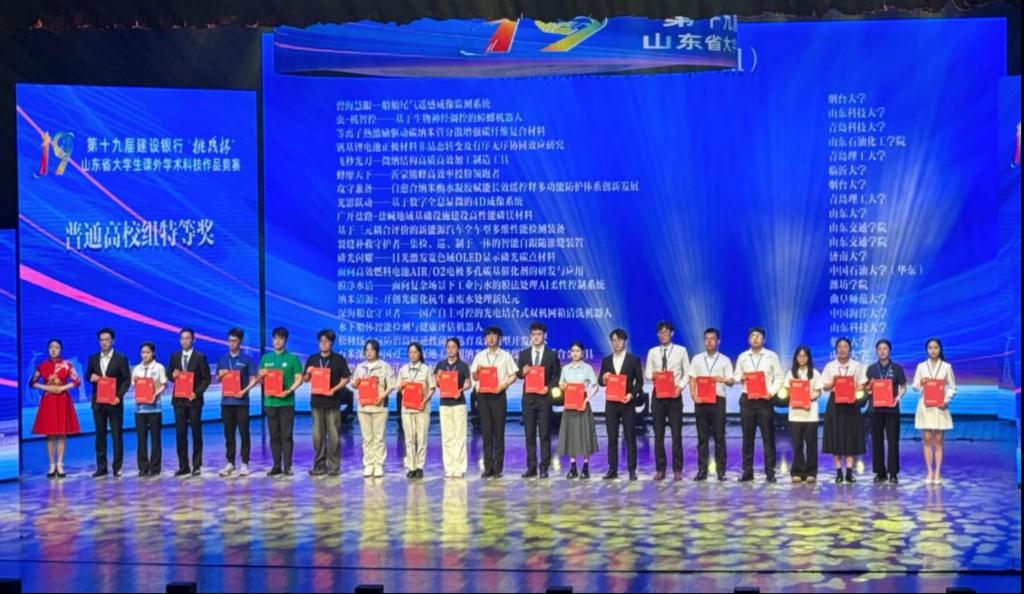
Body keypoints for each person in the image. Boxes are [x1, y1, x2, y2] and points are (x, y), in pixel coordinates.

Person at [733, 327, 784, 483]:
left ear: (764, 339)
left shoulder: (771, 356)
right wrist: (740, 378)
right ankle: (747, 472)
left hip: (765, 400)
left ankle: (770, 472)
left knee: (768, 437)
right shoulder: (743, 357)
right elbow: (735, 375)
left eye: (759, 336)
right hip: (747, 400)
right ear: (749, 340)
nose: (755, 338)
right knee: (747, 438)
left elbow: (779, 377)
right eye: (753, 336)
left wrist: (771, 392)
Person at [469, 326, 519, 479]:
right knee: (486, 432)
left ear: (499, 338)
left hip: (498, 395)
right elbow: (474, 377)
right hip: (483, 396)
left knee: (498, 432)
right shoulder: (479, 356)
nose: (491, 338)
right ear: (485, 339)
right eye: (488, 335)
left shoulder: (505, 356)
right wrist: (477, 372)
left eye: (494, 335)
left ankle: (498, 468)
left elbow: (514, 375)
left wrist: (502, 386)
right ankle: (488, 467)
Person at [643, 321, 690, 481]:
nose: (663, 335)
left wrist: (680, 387)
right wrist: (651, 376)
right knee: (658, 434)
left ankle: (677, 469)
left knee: (676, 434)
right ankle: (660, 469)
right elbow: (647, 372)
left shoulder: (681, 351)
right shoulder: (653, 352)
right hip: (658, 395)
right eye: (660, 332)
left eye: (666, 332)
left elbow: (687, 372)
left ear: (672, 333)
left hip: (675, 395)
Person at [686, 327, 734, 482]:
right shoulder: (697, 359)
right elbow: (692, 378)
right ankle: (702, 471)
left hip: (718, 400)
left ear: (718, 341)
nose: (709, 342)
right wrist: (693, 396)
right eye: (706, 339)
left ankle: (721, 471)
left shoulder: (725, 360)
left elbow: (731, 381)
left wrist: (723, 379)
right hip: (701, 400)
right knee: (702, 438)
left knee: (719, 437)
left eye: (712, 339)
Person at [515, 321, 561, 479]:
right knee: (529, 435)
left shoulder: (551, 355)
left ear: (544, 336)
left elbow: (557, 376)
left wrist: (548, 387)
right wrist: (522, 371)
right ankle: (531, 467)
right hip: (528, 400)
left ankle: (544, 468)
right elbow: (519, 374)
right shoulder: (524, 354)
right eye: (533, 334)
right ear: (530, 336)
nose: (536, 337)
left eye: (539, 334)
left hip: (544, 399)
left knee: (545, 434)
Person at [30, 338, 81, 478]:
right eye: (51, 347)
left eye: (56, 347)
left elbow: (77, 381)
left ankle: (60, 464)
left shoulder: (68, 365)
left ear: (61, 350)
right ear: (48, 350)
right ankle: (51, 465)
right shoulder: (42, 366)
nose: (54, 350)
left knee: (61, 432)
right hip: (48, 401)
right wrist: (47, 388)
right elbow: (32, 383)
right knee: (50, 433)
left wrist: (62, 388)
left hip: (63, 400)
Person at [303, 329, 351, 477]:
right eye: (321, 341)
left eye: (327, 341)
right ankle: (319, 465)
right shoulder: (312, 359)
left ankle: (334, 466)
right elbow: (305, 379)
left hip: (333, 402)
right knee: (317, 437)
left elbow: (346, 378)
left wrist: (334, 389)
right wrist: (308, 372)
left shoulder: (338, 359)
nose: (324, 344)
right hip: (316, 403)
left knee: (334, 437)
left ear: (332, 343)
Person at [598, 328, 644, 481]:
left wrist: (631, 394)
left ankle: (632, 469)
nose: (616, 343)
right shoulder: (606, 360)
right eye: (614, 340)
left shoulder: (633, 359)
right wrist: (604, 378)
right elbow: (600, 382)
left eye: (619, 340)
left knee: (630, 437)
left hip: (627, 402)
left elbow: (640, 381)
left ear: (625, 341)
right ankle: (612, 469)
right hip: (611, 404)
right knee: (612, 437)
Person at [821, 337, 869, 484]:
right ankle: (838, 472)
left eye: (845, 346)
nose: (842, 349)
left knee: (850, 437)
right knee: (835, 437)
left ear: (850, 349)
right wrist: (833, 383)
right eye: (839, 347)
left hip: (851, 403)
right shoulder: (830, 366)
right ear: (836, 349)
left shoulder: (857, 365)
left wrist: (854, 390)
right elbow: (824, 387)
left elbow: (862, 384)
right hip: (835, 404)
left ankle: (849, 472)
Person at [85, 327, 131, 478]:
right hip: (98, 403)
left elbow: (126, 380)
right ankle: (101, 467)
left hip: (114, 402)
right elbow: (87, 375)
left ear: (113, 341)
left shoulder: (121, 358)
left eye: (107, 340)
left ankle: (117, 467)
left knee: (116, 435)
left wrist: (119, 395)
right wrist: (91, 377)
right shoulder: (93, 358)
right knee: (100, 435)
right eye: (102, 340)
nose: (104, 342)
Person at [258, 326, 304, 477]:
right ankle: (276, 465)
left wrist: (289, 390)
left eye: (281, 338)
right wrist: (261, 375)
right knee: (274, 435)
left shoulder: (292, 358)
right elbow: (260, 380)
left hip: (286, 403)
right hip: (270, 402)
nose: (277, 341)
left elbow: (299, 379)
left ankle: (288, 466)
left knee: (286, 435)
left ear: (285, 341)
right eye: (275, 338)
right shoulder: (266, 359)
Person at [168, 328, 212, 477]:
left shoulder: (200, 357)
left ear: (193, 340)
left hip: (194, 401)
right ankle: (183, 466)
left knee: (196, 433)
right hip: (179, 401)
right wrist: (172, 375)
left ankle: (197, 465)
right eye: (182, 338)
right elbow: (169, 375)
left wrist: (197, 393)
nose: (184, 341)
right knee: (180, 434)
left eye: (187, 338)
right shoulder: (174, 356)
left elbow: (206, 379)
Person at [912, 338, 956, 485]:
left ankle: (937, 471)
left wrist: (946, 400)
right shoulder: (921, 366)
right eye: (930, 348)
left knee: (938, 440)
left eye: (935, 347)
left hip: (940, 406)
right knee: (927, 439)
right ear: (927, 350)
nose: (933, 350)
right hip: (925, 406)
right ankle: (929, 471)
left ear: (940, 349)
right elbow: (914, 387)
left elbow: (952, 387)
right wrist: (921, 382)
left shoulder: (947, 367)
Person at [217, 327, 259, 477]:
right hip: (226, 402)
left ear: (240, 342)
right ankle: (230, 462)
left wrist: (244, 391)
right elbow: (218, 379)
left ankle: (245, 463)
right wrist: (220, 376)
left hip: (241, 402)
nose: (232, 343)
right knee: (229, 433)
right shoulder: (223, 359)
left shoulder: (246, 359)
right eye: (229, 341)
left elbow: (254, 379)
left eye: (234, 341)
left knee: (244, 432)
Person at [865, 339, 908, 484]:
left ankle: (893, 473)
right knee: (876, 441)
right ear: (876, 351)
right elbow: (867, 389)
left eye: (885, 349)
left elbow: (903, 386)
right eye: (880, 349)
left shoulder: (897, 368)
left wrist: (898, 398)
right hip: (875, 409)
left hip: (892, 409)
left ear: (889, 351)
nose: (882, 351)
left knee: (893, 441)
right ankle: (880, 473)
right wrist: (869, 387)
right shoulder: (871, 369)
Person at [352, 339, 395, 478]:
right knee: (367, 437)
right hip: (363, 407)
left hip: (379, 406)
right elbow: (354, 384)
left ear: (377, 351)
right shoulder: (360, 367)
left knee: (379, 437)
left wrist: (382, 395)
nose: (369, 352)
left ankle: (378, 464)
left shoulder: (384, 366)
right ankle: (369, 464)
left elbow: (392, 385)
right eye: (367, 350)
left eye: (372, 350)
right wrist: (355, 382)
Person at [557, 341, 600, 479]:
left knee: (584, 435)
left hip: (582, 405)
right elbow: (560, 384)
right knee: (571, 435)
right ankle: (573, 467)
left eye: (578, 351)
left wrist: (587, 400)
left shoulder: (587, 368)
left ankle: (586, 467)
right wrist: (563, 386)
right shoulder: (565, 369)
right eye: (573, 351)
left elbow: (596, 386)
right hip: (569, 406)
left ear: (582, 353)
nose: (575, 353)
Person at [434, 337, 472, 478]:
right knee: (447, 437)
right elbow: (437, 384)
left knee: (459, 436)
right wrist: (438, 377)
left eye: (453, 347)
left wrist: (461, 390)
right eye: (448, 347)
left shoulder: (463, 365)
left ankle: (460, 467)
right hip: (445, 404)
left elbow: (468, 383)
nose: (450, 350)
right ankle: (449, 467)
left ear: (458, 349)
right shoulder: (441, 365)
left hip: (459, 404)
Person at [783, 346, 821, 483]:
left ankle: (811, 472)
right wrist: (794, 394)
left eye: (804, 356)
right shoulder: (791, 374)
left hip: (811, 414)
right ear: (796, 358)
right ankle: (797, 471)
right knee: (797, 444)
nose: (802, 358)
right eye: (799, 356)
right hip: (795, 414)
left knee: (811, 444)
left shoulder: (815, 373)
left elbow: (818, 391)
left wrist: (809, 397)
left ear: (808, 357)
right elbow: (787, 390)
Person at [398, 342, 435, 479]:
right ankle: (411, 467)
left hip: (422, 409)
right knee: (409, 439)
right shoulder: (403, 370)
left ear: (420, 353)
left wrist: (423, 402)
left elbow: (432, 388)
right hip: (407, 409)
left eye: (415, 352)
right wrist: (401, 386)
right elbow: (399, 388)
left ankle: (419, 466)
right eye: (410, 352)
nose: (413, 355)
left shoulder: (426, 369)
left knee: (421, 438)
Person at [132, 342, 167, 478]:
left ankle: (155, 467)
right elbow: (134, 386)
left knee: (155, 439)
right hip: (140, 409)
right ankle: (143, 467)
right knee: (141, 439)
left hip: (154, 408)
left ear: (153, 353)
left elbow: (164, 385)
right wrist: (136, 381)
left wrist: (155, 394)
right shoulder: (136, 369)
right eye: (143, 352)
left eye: (147, 352)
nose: (145, 355)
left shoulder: (159, 367)